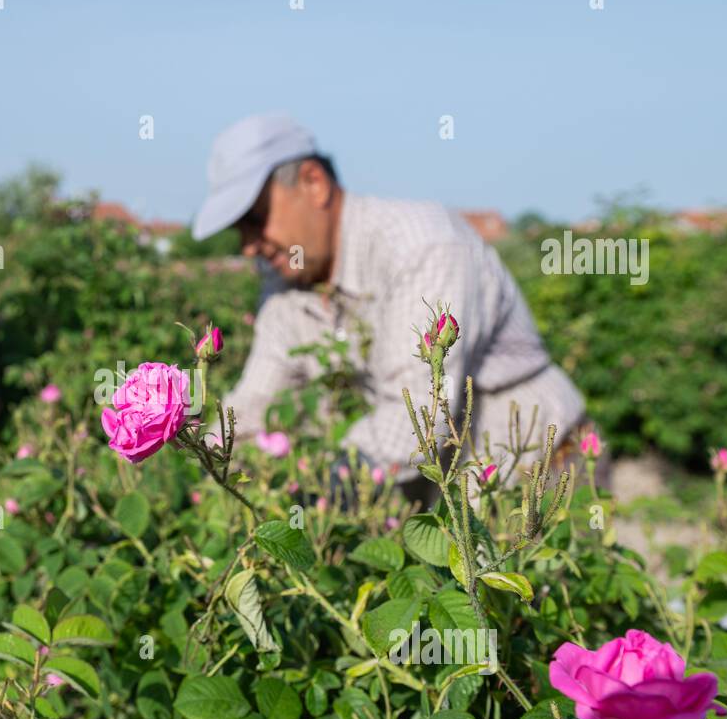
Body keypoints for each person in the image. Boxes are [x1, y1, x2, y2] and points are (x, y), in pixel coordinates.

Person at [191, 113, 609, 498]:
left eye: (256, 218)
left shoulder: (421, 245)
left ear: (313, 183)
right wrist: (209, 472)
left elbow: (419, 421)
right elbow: (257, 398)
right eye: (238, 230)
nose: (248, 246)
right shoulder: (286, 280)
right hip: (450, 488)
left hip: (544, 468)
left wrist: (320, 495)